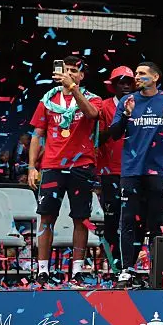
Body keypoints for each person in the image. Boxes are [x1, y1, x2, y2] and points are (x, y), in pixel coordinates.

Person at [109, 62, 163, 288]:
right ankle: (126, 270)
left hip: (157, 171)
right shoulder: (127, 101)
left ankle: (154, 269)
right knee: (128, 220)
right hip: (131, 170)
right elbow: (114, 134)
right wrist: (125, 115)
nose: (138, 77)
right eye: (137, 74)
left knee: (155, 221)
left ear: (155, 77)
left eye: (142, 73)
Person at [28, 55, 102, 285]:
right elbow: (37, 135)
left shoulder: (93, 99)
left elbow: (92, 114)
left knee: (81, 218)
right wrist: (32, 166)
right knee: (46, 216)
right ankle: (42, 270)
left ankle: (77, 271)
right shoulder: (47, 100)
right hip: (52, 166)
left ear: (81, 75)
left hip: (82, 165)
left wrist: (73, 89)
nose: (69, 73)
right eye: (66, 70)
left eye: (74, 71)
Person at [95, 66, 135, 269]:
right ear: (113, 85)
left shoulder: (142, 105)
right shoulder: (103, 106)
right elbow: (98, 138)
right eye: (121, 81)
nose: (126, 85)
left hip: (136, 171)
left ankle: (131, 265)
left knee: (133, 219)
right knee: (112, 220)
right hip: (111, 171)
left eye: (129, 81)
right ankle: (113, 266)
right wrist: (119, 123)